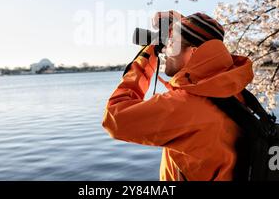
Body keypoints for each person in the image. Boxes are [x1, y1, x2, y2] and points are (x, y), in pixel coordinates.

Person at [102, 10, 254, 181]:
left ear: (194, 52)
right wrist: (178, 26)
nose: (165, 50)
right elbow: (197, 40)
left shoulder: (186, 105)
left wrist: (147, 55)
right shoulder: (231, 92)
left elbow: (114, 119)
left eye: (171, 43)